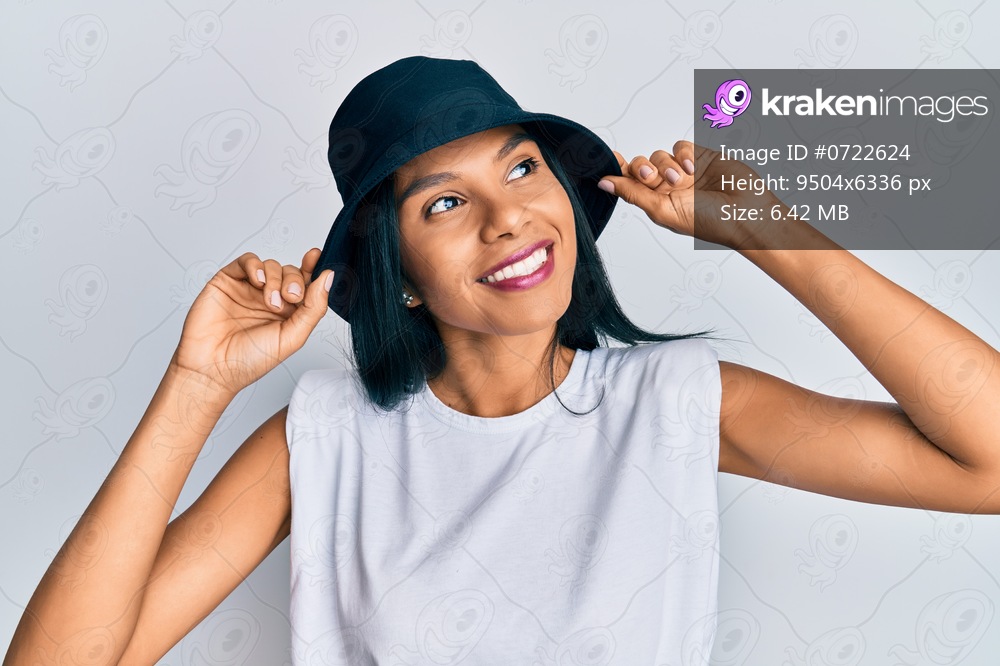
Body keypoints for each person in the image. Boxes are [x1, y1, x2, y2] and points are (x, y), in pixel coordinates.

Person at [5, 56, 1000, 665]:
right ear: (396, 276)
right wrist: (196, 387)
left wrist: (764, 231)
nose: (509, 215)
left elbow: (987, 460)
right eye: (444, 201)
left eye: (522, 166)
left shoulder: (672, 406)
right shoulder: (322, 444)